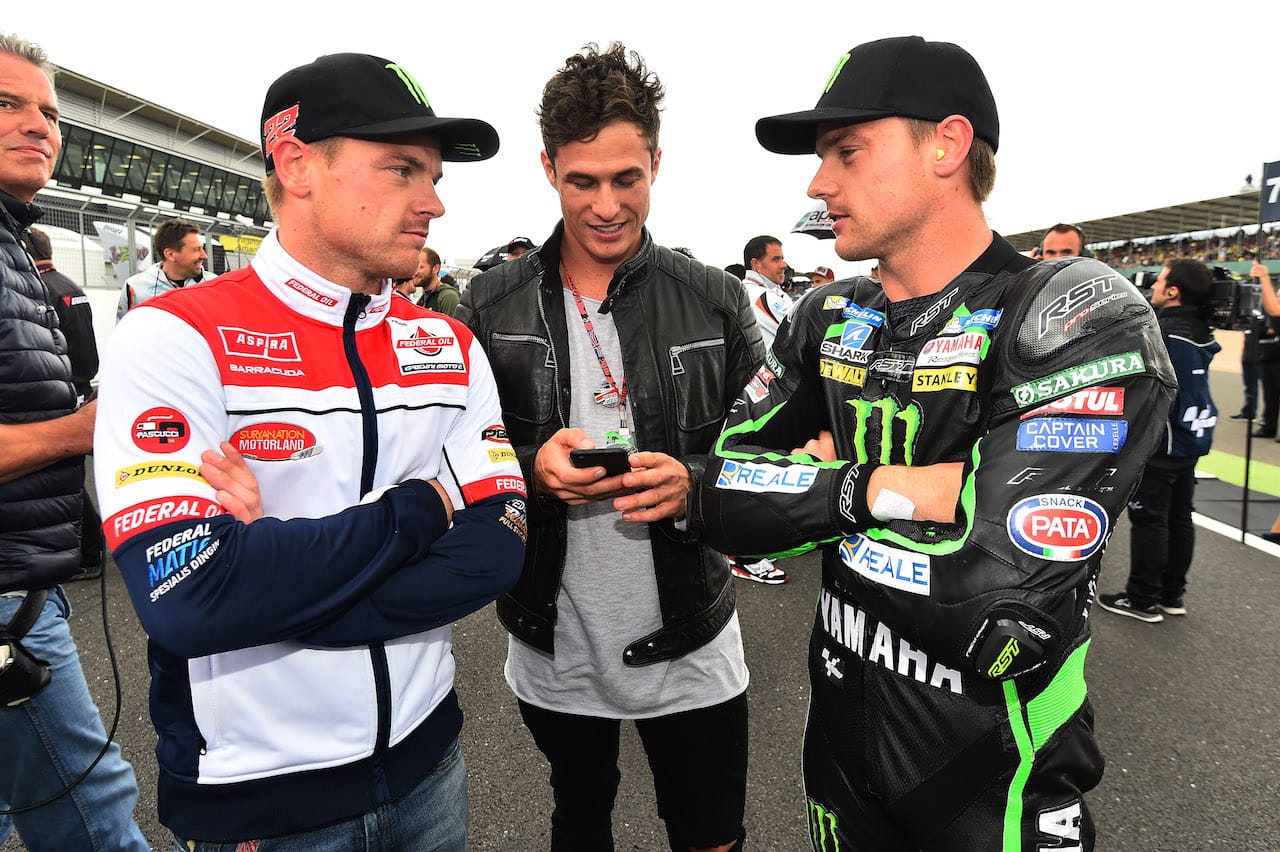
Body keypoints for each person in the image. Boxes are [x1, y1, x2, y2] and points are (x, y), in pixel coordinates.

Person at [694, 36, 1175, 851]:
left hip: (996, 783)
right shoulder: (828, 316)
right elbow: (715, 494)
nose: (817, 183)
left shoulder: (1070, 312)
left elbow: (997, 606)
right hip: (838, 759)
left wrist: (815, 490)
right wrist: (893, 488)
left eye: (847, 151)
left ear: (947, 144)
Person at [93, 51, 525, 849]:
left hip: (432, 767)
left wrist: (279, 593)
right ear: (296, 166)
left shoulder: (449, 345)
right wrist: (424, 507)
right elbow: (190, 595)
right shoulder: (173, 337)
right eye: (402, 170)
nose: (433, 202)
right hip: (260, 802)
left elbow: (500, 546)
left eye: (434, 177)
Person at [456, 42, 760, 852]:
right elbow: (450, 456)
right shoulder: (488, 303)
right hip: (554, 639)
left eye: (627, 178)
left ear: (656, 162)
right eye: (582, 181)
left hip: (693, 638)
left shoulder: (717, 300)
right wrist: (531, 471)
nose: (606, 205)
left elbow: (778, 453)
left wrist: (695, 480)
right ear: (548, 169)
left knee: (710, 836)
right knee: (579, 817)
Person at [0, 32, 149, 851]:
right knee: (91, 813)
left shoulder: (11, 247)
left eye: (50, 112)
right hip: (6, 601)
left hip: (26, 579)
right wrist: (85, 427)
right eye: (6, 104)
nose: (39, 125)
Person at [1099, 259, 1218, 622]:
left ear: (1174, 291)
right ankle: (1171, 594)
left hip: (1163, 439)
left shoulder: (1162, 331)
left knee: (1151, 519)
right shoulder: (1200, 328)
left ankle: (1142, 598)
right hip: (1191, 435)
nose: (1153, 285)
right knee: (1180, 516)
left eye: (1160, 280)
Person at [23, 226, 105, 579]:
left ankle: (88, 549)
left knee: (55, 470)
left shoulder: (38, 289)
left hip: (57, 390)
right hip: (78, 384)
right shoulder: (69, 285)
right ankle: (89, 545)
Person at [115, 217, 206, 320]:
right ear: (170, 254)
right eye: (196, 249)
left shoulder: (213, 283)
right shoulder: (135, 286)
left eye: (202, 248)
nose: (204, 256)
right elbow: (123, 327)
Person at [742, 234, 795, 350]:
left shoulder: (745, 291)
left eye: (782, 259)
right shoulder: (761, 296)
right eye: (776, 259)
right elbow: (801, 336)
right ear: (756, 264)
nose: (784, 265)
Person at [1249, 260, 1280, 438]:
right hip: (1271, 356)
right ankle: (1269, 427)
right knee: (1270, 395)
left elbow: (1274, 309)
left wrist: (1264, 276)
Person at [413, 245, 460, 315]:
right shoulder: (421, 301)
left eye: (421, 267)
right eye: (415, 267)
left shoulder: (448, 297)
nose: (416, 272)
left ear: (436, 268)